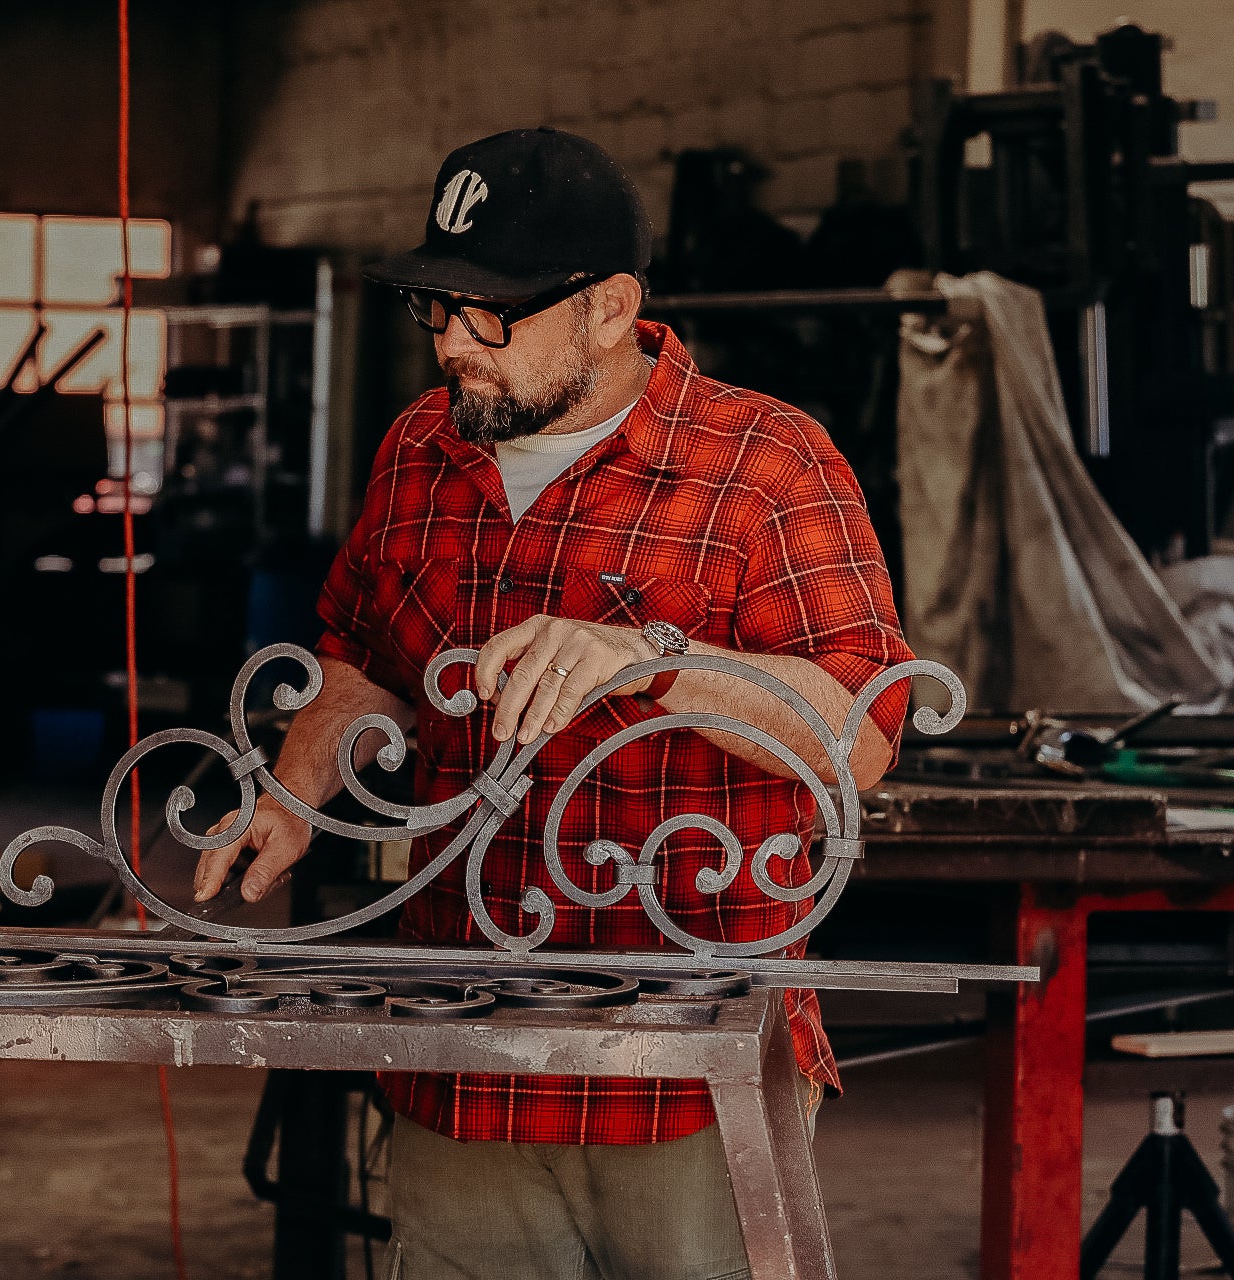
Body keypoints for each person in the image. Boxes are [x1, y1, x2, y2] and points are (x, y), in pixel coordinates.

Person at [195, 126, 912, 1280]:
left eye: (491, 313)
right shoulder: (421, 448)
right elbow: (365, 655)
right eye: (436, 306)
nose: (453, 347)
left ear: (611, 305)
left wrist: (650, 660)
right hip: (459, 1057)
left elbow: (862, 738)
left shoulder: (768, 463)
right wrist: (291, 791)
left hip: (689, 1068)